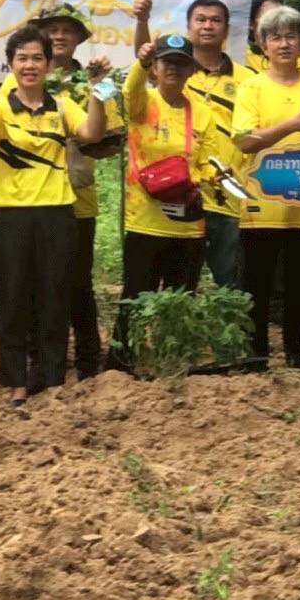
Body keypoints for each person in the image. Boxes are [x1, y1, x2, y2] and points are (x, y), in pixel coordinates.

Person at [0, 25, 108, 405]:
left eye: (37, 58)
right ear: (11, 64)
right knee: (13, 299)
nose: (30, 65)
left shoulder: (61, 104)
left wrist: (99, 88)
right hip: (11, 216)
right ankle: (16, 380)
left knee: (55, 296)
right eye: (22, 58)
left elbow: (93, 132)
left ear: (48, 64)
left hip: (57, 214)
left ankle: (51, 377)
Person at [0, 3, 122, 379]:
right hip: (26, 198)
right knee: (30, 285)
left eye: (68, 30)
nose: (60, 35)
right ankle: (37, 364)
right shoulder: (14, 82)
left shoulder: (96, 81)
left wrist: (68, 141)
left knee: (76, 282)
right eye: (52, 29)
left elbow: (111, 138)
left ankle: (86, 361)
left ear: (79, 39)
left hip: (76, 198)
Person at [232, 6, 300, 368]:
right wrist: (291, 125)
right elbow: (244, 141)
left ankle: (298, 360)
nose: (283, 43)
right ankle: (255, 359)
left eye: (291, 36)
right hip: (260, 206)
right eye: (275, 37)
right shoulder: (251, 88)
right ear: (262, 45)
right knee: (255, 288)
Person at [133, 0, 253, 289]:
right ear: (189, 27)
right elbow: (144, 63)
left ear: (226, 30)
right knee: (175, 281)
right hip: (175, 192)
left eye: (216, 21)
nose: (208, 26)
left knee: (229, 282)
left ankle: (227, 336)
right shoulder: (175, 72)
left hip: (225, 194)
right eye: (200, 20)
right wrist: (142, 20)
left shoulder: (248, 79)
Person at [107, 35, 211, 368]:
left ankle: (173, 361)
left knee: (181, 297)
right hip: (145, 220)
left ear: (191, 70)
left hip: (187, 225)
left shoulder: (202, 112)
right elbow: (128, 94)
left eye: (182, 64)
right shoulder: (143, 104)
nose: (174, 70)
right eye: (167, 62)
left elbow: (205, 159)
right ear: (156, 67)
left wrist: (208, 178)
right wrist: (139, 62)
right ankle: (121, 364)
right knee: (136, 296)